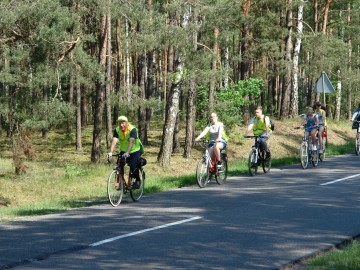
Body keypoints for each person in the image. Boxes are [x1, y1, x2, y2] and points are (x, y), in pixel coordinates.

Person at [107, 116, 144, 189]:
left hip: (136, 150)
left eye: (123, 123)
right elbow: (114, 141)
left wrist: (128, 152)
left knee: (133, 165)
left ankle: (137, 180)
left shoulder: (132, 129)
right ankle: (121, 183)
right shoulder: (117, 130)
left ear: (127, 123)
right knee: (119, 165)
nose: (121, 125)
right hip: (124, 150)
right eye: (120, 123)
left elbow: (131, 141)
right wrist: (110, 152)